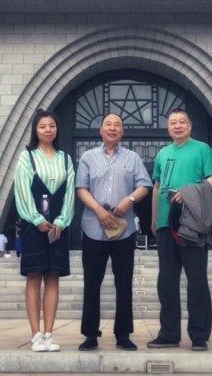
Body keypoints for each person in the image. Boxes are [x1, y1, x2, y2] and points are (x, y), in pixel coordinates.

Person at [76, 113, 152, 351]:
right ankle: (90, 334)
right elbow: (81, 188)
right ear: (100, 130)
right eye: (108, 124)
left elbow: (145, 185)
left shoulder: (133, 157)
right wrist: (99, 210)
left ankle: (123, 333)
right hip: (93, 227)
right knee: (92, 283)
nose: (112, 128)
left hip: (123, 229)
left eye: (117, 125)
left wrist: (129, 200)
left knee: (124, 283)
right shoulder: (88, 157)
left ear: (122, 131)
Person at [149, 109, 212, 351]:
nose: (177, 126)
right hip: (165, 223)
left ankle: (199, 335)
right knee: (167, 281)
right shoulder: (163, 153)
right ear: (168, 127)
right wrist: (154, 219)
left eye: (182, 122)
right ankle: (169, 334)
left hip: (192, 223)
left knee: (197, 280)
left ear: (190, 125)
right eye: (173, 122)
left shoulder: (202, 149)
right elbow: (157, 186)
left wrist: (189, 192)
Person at [14, 109, 76, 352]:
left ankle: (49, 332)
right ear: (35, 130)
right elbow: (21, 191)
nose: (48, 130)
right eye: (42, 126)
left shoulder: (65, 158)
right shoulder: (26, 157)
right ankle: (35, 334)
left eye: (52, 126)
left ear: (57, 129)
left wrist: (62, 221)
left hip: (58, 227)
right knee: (34, 276)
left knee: (53, 276)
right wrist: (36, 218)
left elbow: (70, 193)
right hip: (34, 226)